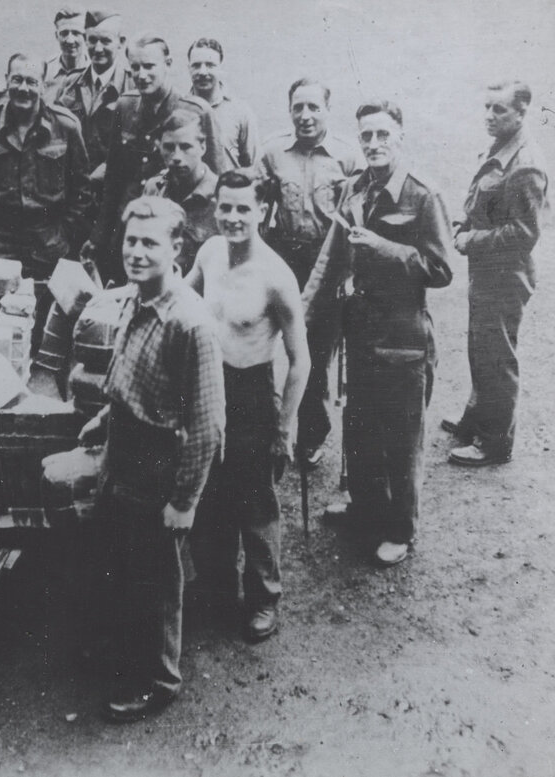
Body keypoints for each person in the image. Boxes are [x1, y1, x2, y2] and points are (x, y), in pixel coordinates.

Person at [79, 195, 224, 723]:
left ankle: (158, 678)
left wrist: (184, 501)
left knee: (157, 576)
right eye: (130, 241)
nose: (136, 253)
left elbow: (208, 427)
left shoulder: (191, 323)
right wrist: (104, 420)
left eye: (149, 243)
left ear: (177, 247)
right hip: (126, 449)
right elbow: (131, 374)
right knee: (122, 558)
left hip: (162, 463)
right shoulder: (136, 300)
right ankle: (124, 652)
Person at [303, 100, 452, 567]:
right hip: (361, 334)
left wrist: (386, 248)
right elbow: (331, 261)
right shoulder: (355, 189)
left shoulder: (422, 197)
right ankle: (366, 512)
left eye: (383, 135)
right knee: (361, 430)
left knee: (400, 439)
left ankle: (400, 530)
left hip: (404, 338)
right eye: (366, 136)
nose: (373, 144)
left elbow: (442, 269)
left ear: (400, 136)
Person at [186, 172, 309, 641]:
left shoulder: (276, 277)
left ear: (263, 212)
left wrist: (283, 428)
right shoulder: (210, 252)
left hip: (252, 393)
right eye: (225, 207)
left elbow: (301, 361)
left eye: (243, 208)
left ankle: (263, 600)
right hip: (207, 386)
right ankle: (218, 591)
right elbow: (183, 293)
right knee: (210, 493)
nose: (233, 217)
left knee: (255, 504)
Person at [445, 80, 549, 467]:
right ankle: (475, 418)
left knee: (497, 358)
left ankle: (494, 443)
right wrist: (462, 221)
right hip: (487, 272)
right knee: (480, 348)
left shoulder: (526, 166)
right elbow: (480, 194)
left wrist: (470, 239)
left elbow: (523, 234)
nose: (489, 116)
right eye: (487, 107)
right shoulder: (502, 147)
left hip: (505, 276)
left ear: (521, 113)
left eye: (499, 110)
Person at [258, 77, 361, 465]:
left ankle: (312, 433)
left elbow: (360, 215)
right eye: (298, 107)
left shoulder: (348, 157)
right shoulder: (272, 151)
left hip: (327, 265)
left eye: (314, 107)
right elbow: (254, 197)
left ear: (327, 110)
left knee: (314, 354)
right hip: (283, 258)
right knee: (270, 344)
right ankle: (269, 424)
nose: (305, 116)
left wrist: (350, 272)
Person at [0, 52, 90, 348]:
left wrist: (64, 233)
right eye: (17, 79)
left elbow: (82, 189)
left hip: (47, 240)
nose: (23, 88)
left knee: (46, 325)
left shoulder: (66, 126)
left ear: (44, 86)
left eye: (32, 81)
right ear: (6, 81)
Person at [82, 34, 224, 285]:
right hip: (127, 228)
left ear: (168, 64)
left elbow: (214, 181)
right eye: (135, 67)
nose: (141, 74)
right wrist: (98, 236)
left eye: (149, 66)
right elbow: (113, 180)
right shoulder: (125, 107)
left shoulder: (196, 111)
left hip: (175, 235)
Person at [54, 10, 131, 177]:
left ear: (121, 42)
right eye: (92, 40)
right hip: (76, 186)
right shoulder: (69, 84)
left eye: (105, 41)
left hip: (115, 184)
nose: (98, 49)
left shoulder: (131, 86)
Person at [142, 110, 219, 273]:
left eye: (185, 147)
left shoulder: (221, 198)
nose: (176, 156)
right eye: (169, 147)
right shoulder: (153, 189)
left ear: (202, 147)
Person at [187, 38, 258, 170]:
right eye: (196, 65)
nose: (203, 72)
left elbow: (253, 167)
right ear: (188, 68)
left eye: (210, 65)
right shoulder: (180, 109)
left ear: (221, 68)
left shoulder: (240, 112)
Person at [44, 6, 89, 100]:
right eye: (64, 33)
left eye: (76, 33)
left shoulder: (94, 70)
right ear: (57, 36)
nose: (70, 40)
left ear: (85, 36)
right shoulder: (45, 70)